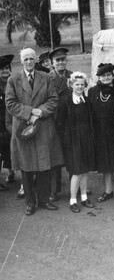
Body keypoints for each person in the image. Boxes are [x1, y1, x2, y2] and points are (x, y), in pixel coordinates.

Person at [5, 48, 63, 215]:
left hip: (43, 127)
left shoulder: (45, 77)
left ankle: (44, 200)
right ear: (21, 61)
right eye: (26, 59)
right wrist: (30, 112)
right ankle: (30, 203)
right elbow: (10, 103)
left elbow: (53, 99)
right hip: (24, 129)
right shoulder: (13, 79)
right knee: (27, 166)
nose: (29, 62)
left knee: (45, 164)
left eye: (31, 59)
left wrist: (40, 112)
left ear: (36, 60)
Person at [56, 72, 96, 213]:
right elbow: (59, 123)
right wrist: (67, 140)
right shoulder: (65, 101)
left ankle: (84, 197)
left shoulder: (87, 101)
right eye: (77, 84)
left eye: (82, 84)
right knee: (77, 171)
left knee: (85, 171)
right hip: (73, 143)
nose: (79, 87)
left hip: (86, 140)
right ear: (71, 85)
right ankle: (73, 200)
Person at [88, 63, 114, 202]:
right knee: (104, 162)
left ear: (112, 76)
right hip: (100, 132)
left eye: (109, 75)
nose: (106, 77)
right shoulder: (93, 91)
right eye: (103, 75)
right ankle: (108, 190)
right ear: (99, 77)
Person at [49, 47, 73, 202]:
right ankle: (53, 191)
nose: (61, 63)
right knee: (54, 159)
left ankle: (74, 188)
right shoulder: (47, 78)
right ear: (52, 63)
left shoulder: (73, 76)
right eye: (57, 60)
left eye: (63, 59)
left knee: (72, 157)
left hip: (70, 124)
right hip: (53, 123)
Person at [0, 54, 15, 189]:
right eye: (1, 69)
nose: (4, 71)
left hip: (12, 120)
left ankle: (11, 172)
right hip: (0, 123)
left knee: (13, 148)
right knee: (1, 150)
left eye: (6, 68)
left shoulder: (14, 82)